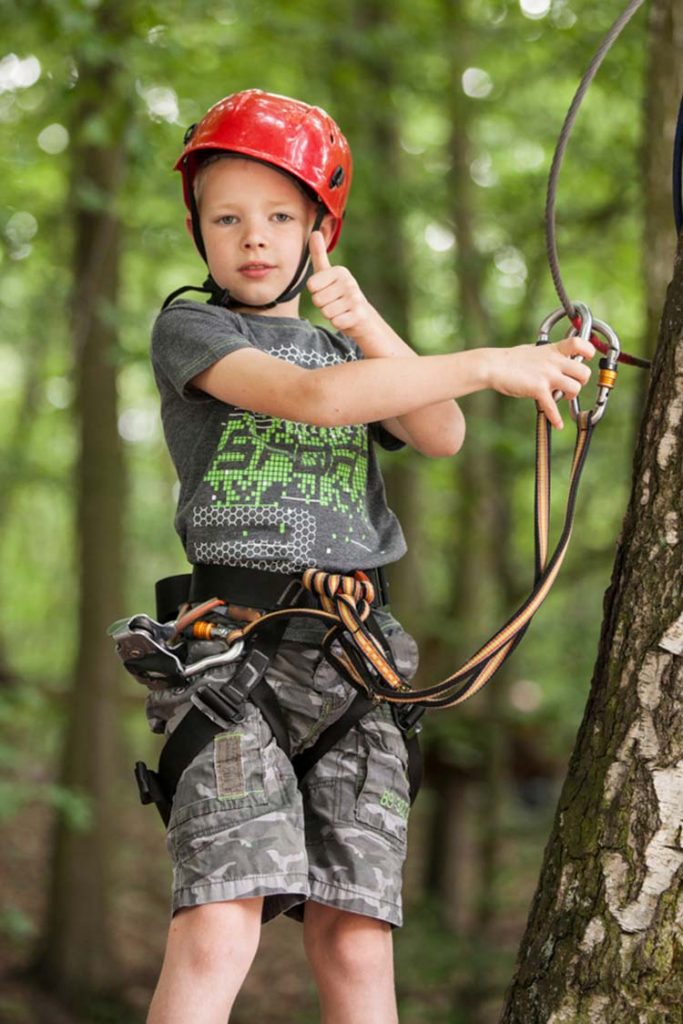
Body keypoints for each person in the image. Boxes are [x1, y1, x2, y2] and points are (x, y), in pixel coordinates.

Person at [144, 90, 594, 1024]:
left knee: (355, 935)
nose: (253, 238)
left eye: (279, 217)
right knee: (219, 918)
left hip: (356, 663)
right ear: (199, 231)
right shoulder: (193, 330)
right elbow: (315, 401)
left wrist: (364, 319)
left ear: (318, 231)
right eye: (227, 218)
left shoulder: (345, 346)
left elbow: (437, 430)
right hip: (236, 654)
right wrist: (487, 358)